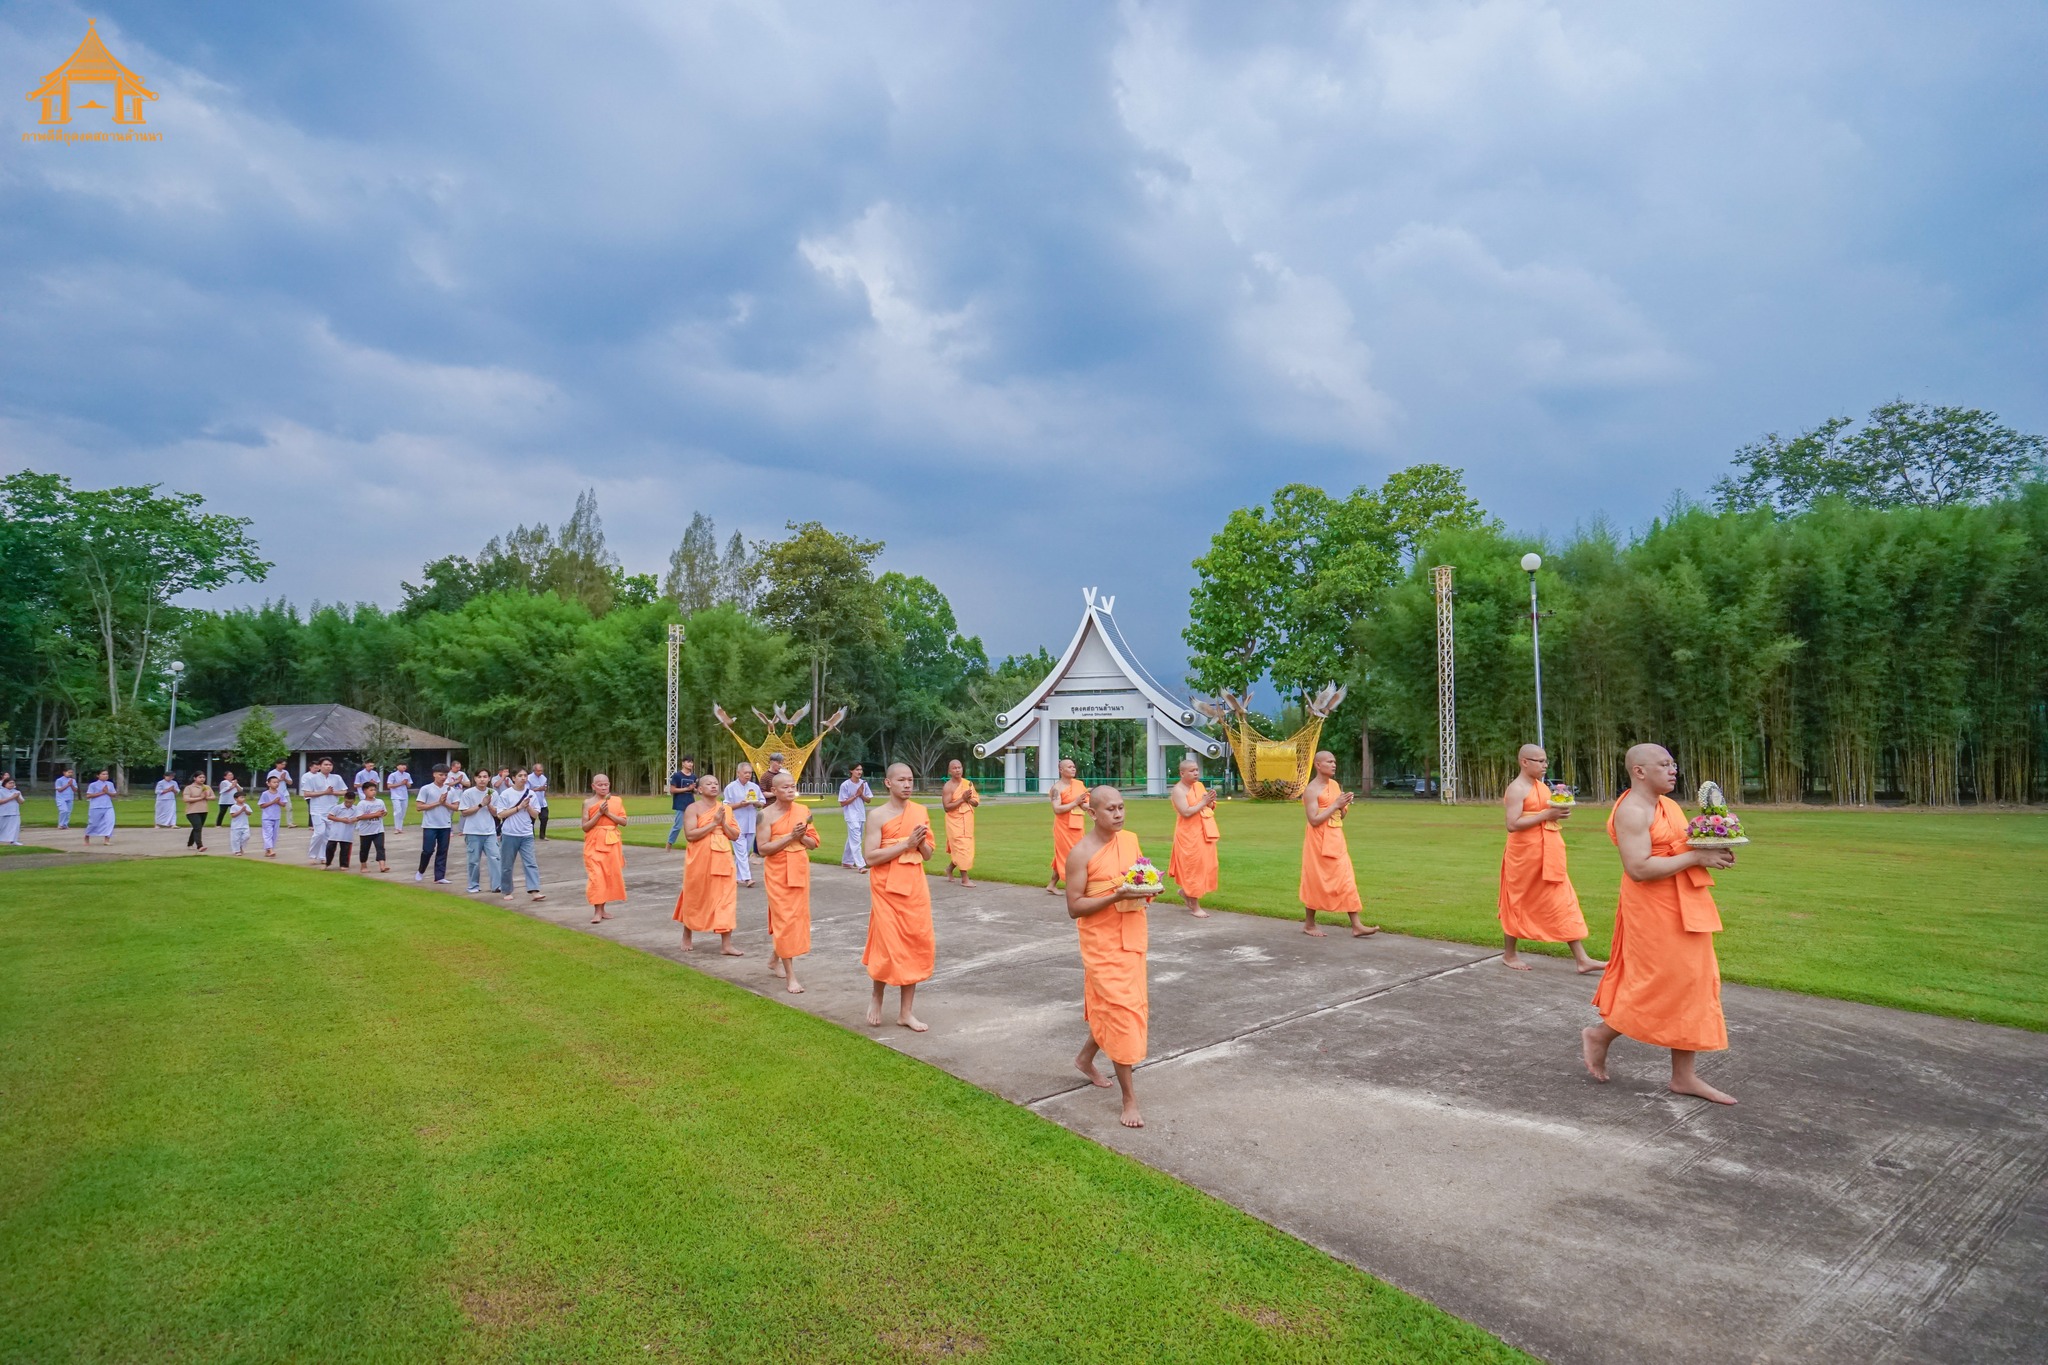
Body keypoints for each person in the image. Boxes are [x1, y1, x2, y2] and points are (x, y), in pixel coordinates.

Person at [1583, 744, 1739, 1105]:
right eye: (1664, 764)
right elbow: (1638, 868)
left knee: (1694, 983)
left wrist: (1711, 852)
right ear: (1639, 771)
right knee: (1659, 983)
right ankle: (1600, 1035)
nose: (1673, 770)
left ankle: (1684, 1076)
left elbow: (1681, 848)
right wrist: (1696, 857)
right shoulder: (1633, 811)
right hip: (1652, 908)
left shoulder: (1668, 805)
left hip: (1687, 901)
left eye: (1673, 764)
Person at [1065, 785, 1159, 1128]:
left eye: (1121, 807)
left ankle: (1084, 1058)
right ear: (1092, 813)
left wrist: (1149, 887)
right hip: (1101, 944)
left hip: (1131, 936)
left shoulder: (1129, 840)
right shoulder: (1080, 854)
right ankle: (1129, 1099)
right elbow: (1074, 907)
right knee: (1121, 1012)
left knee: (1119, 1008)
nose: (1119, 814)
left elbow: (1139, 877)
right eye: (1111, 809)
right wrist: (1115, 895)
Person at [1499, 744, 1605, 974]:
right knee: (1517, 900)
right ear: (1524, 762)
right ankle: (1509, 954)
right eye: (1540, 761)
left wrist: (1557, 813)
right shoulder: (1517, 789)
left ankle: (1582, 959)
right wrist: (1547, 814)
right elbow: (1512, 824)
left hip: (1549, 852)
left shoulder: (1542, 787)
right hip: (1524, 856)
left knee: (1563, 901)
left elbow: (1545, 815)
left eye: (1545, 761)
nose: (1545, 765)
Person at [862, 763, 937, 1032]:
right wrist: (905, 844)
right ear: (888, 783)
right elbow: (870, 858)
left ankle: (906, 1012)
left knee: (915, 943)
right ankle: (877, 996)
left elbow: (928, 855)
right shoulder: (877, 816)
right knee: (887, 943)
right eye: (902, 780)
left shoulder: (919, 812)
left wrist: (919, 843)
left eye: (911, 780)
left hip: (914, 888)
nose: (907, 785)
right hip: (886, 889)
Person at [1299, 750, 1379, 938]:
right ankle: (1309, 924)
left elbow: (1339, 815)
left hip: (1336, 837)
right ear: (1318, 765)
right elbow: (1313, 820)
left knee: (1346, 878)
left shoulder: (1334, 785)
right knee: (1316, 879)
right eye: (1329, 762)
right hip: (1318, 840)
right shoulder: (1311, 790)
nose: (1334, 765)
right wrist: (1335, 804)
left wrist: (1343, 805)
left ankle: (1357, 925)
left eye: (1334, 761)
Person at [757, 770, 819, 994]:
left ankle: (774, 958)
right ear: (774, 791)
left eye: (793, 786)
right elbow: (763, 849)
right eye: (785, 787)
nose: (791, 790)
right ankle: (791, 976)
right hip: (777, 872)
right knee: (784, 919)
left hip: (799, 869)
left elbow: (814, 843)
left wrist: (801, 837)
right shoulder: (764, 815)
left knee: (795, 919)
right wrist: (790, 837)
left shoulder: (804, 811)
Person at [674, 773, 742, 954]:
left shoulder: (725, 809)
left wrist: (723, 824)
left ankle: (726, 945)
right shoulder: (693, 808)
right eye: (709, 784)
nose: (713, 786)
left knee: (726, 899)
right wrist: (713, 824)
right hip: (700, 857)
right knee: (695, 895)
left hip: (723, 857)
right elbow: (690, 835)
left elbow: (735, 835)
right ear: (699, 789)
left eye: (716, 783)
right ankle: (687, 933)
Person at [1168, 756, 1220, 918]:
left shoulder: (1198, 785)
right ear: (1182, 773)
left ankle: (1185, 892)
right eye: (1191, 771)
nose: (1196, 773)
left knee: (1207, 865)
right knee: (1193, 868)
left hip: (1204, 832)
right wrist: (1204, 802)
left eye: (1197, 770)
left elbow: (1207, 806)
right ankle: (1195, 906)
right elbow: (1186, 812)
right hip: (1188, 836)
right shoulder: (1178, 790)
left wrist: (1210, 800)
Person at [582, 773, 628, 923]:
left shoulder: (616, 801)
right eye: (600, 785)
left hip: (612, 842)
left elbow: (623, 822)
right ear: (593, 786)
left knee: (608, 876)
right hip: (594, 843)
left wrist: (607, 813)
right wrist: (599, 814)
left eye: (606, 784)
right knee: (596, 877)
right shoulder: (588, 803)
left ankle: (602, 910)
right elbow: (585, 827)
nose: (603, 787)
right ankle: (597, 911)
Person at [494, 772, 544, 900]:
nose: (523, 778)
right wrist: (519, 807)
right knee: (507, 865)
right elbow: (500, 814)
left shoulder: (531, 794)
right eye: (520, 776)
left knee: (531, 863)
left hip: (526, 834)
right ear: (513, 778)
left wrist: (528, 807)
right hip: (509, 834)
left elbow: (535, 815)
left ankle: (534, 890)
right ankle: (507, 891)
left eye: (525, 776)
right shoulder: (506, 794)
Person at [1044, 758, 1090, 894]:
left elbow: (1084, 804)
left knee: (1069, 854)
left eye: (1074, 766)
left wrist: (1093, 806)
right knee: (1070, 855)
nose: (1073, 769)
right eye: (1069, 767)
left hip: (1077, 825)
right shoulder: (1056, 788)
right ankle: (1075, 885)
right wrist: (1075, 802)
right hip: (1063, 827)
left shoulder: (1079, 784)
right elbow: (1057, 809)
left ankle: (1052, 884)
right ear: (1061, 770)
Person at [723, 762, 764, 886]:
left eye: (750, 773)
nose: (748, 775)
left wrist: (755, 803)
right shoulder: (731, 787)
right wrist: (740, 804)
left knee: (744, 852)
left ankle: (735, 876)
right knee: (741, 851)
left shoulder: (754, 787)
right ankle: (747, 878)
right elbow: (726, 806)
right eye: (745, 772)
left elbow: (762, 802)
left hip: (751, 823)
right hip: (736, 824)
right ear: (738, 773)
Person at [413, 764, 454, 883]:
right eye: (441, 775)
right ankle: (421, 870)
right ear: (434, 774)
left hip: (445, 824)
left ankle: (439, 876)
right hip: (430, 825)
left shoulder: (450, 790)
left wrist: (445, 804)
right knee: (428, 850)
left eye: (445, 775)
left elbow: (456, 806)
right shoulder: (426, 789)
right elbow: (419, 807)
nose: (443, 777)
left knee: (442, 851)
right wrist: (438, 803)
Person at [941, 758, 979, 886]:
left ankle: (949, 869)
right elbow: (947, 807)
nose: (957, 770)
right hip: (954, 822)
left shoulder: (968, 784)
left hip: (967, 821)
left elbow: (976, 802)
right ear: (949, 771)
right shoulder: (948, 787)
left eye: (959, 767)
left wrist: (968, 800)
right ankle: (965, 879)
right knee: (961, 848)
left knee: (965, 848)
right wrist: (962, 799)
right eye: (954, 768)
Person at [458, 777, 499, 893]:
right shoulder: (468, 793)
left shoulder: (493, 793)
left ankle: (497, 885)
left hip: (489, 831)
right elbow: (464, 812)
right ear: (475, 778)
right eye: (479, 777)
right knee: (474, 860)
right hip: (473, 831)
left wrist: (489, 804)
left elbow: (496, 813)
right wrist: (481, 804)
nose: (482, 780)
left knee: (495, 858)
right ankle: (473, 885)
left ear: (489, 779)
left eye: (485, 777)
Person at [302, 759, 345, 863]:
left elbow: (344, 791)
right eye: (325, 764)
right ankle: (312, 855)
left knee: (328, 834)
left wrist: (333, 792)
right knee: (319, 833)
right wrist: (324, 792)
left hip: (332, 810)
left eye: (330, 765)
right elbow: (307, 793)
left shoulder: (337, 778)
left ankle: (323, 856)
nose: (328, 766)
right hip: (317, 810)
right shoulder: (312, 778)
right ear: (320, 766)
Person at [838, 764, 873, 872]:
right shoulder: (845, 785)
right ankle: (860, 865)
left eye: (861, 770)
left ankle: (847, 861)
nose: (859, 772)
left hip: (860, 815)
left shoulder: (864, 784)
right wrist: (856, 795)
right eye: (857, 770)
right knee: (856, 840)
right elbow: (842, 803)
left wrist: (861, 794)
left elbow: (868, 800)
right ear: (851, 771)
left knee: (854, 838)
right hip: (851, 815)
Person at [353, 780, 391, 872]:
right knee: (364, 849)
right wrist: (375, 814)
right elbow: (360, 816)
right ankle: (363, 866)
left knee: (380, 847)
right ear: (364, 791)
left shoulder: (380, 801)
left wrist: (382, 813)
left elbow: (384, 812)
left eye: (374, 790)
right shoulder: (362, 804)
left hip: (378, 829)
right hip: (366, 831)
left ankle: (382, 866)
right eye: (371, 790)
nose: (373, 792)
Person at [665, 755, 697, 849]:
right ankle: (669, 844)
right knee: (678, 826)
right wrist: (687, 788)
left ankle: (694, 845)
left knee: (693, 825)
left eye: (691, 762)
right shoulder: (677, 776)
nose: (690, 764)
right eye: (688, 762)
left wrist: (694, 789)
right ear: (683, 763)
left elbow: (695, 790)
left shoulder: (693, 776)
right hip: (680, 804)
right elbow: (672, 790)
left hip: (691, 804)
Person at [323, 791, 359, 868]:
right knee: (330, 848)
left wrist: (352, 820)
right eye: (347, 802)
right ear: (344, 799)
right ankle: (327, 863)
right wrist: (342, 820)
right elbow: (330, 816)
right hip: (336, 832)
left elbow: (359, 817)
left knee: (345, 849)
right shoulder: (338, 807)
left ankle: (344, 865)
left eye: (350, 802)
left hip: (347, 832)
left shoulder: (356, 809)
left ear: (354, 801)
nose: (348, 804)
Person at [182, 773, 214, 852]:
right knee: (197, 827)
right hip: (192, 811)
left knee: (197, 828)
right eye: (200, 777)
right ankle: (200, 846)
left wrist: (207, 797)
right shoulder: (189, 788)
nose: (202, 779)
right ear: (194, 778)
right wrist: (200, 798)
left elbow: (213, 797)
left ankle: (190, 843)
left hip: (203, 810)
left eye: (203, 777)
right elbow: (186, 799)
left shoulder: (206, 787)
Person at [83, 769, 116, 845]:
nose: (105, 776)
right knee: (93, 824)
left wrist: (107, 792)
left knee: (110, 822)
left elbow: (114, 794)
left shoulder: (110, 784)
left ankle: (106, 840)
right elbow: (88, 795)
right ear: (98, 775)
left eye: (106, 774)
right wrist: (102, 793)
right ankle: (87, 836)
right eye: (103, 774)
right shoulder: (93, 785)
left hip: (108, 806)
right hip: (96, 807)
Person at [258, 774, 288, 857]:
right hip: (267, 817)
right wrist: (273, 802)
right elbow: (262, 805)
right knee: (268, 833)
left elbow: (284, 804)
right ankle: (271, 850)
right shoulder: (265, 794)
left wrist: (278, 802)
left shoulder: (280, 794)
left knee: (274, 835)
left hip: (276, 816)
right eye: (274, 782)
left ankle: (268, 850)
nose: (276, 784)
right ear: (268, 783)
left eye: (277, 782)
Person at [267, 760, 296, 826]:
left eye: (284, 764)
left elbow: (290, 782)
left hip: (284, 792)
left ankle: (290, 823)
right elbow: (268, 783)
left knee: (289, 807)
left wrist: (285, 779)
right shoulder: (272, 773)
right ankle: (272, 822)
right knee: (274, 808)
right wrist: (280, 779)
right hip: (275, 793)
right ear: (277, 764)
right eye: (282, 764)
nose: (283, 766)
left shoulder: (285, 772)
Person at [227, 788, 253, 856]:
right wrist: (241, 810)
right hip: (236, 826)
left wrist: (245, 810)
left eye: (244, 797)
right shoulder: (234, 806)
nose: (243, 799)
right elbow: (233, 815)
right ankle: (237, 850)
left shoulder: (246, 805)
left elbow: (249, 813)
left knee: (247, 836)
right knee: (235, 839)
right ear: (236, 799)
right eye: (241, 797)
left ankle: (240, 846)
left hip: (245, 824)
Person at [386, 762, 413, 830]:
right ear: (397, 766)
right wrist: (401, 783)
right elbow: (389, 786)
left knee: (403, 812)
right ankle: (396, 828)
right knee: (398, 811)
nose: (404, 767)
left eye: (405, 765)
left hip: (404, 795)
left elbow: (409, 786)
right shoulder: (393, 775)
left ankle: (400, 828)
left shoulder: (407, 775)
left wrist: (406, 783)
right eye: (402, 765)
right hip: (395, 796)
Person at [528, 761, 551, 840]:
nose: (540, 772)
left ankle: (542, 835)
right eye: (538, 771)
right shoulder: (528, 778)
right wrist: (538, 789)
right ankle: (531, 835)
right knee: (531, 820)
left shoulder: (544, 778)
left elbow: (544, 788)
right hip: (532, 802)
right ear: (534, 770)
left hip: (542, 802)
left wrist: (544, 789)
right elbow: (526, 790)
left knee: (545, 818)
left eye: (541, 771)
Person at [0, 775, 23, 845]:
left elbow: (21, 802)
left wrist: (17, 797)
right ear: (5, 784)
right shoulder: (1, 791)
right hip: (3, 812)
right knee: (2, 827)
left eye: (13, 783)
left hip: (14, 812)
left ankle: (13, 841)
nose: (12, 784)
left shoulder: (17, 792)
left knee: (15, 827)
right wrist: (12, 797)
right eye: (10, 783)